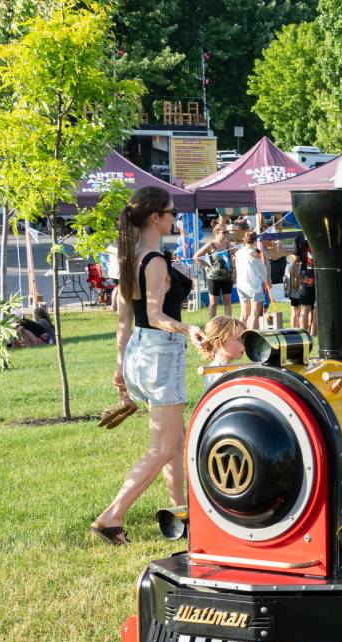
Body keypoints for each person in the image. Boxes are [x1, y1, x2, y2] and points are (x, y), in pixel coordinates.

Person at [92, 186, 206, 546]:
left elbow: (125, 319)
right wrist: (189, 328)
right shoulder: (154, 260)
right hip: (160, 353)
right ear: (156, 217)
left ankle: (182, 514)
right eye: (172, 212)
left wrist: (120, 367)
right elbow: (155, 315)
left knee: (175, 441)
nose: (175, 218)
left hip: (141, 353)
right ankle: (111, 517)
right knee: (162, 448)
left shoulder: (132, 255)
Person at [194, 224, 234, 320]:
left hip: (227, 277)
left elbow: (236, 254)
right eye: (224, 232)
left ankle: (228, 323)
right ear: (217, 233)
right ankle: (212, 324)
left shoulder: (228, 245)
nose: (226, 234)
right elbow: (196, 257)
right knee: (213, 302)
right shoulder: (210, 245)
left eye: (227, 232)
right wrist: (206, 265)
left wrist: (233, 264)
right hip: (213, 277)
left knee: (227, 301)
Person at [235, 230, 271, 331]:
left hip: (241, 285)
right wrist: (266, 280)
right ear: (255, 241)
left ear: (244, 240)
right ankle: (251, 338)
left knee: (244, 315)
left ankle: (238, 335)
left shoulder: (238, 252)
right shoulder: (254, 254)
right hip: (254, 287)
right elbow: (263, 272)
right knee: (254, 315)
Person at [199, 316, 245, 389]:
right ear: (218, 344)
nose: (243, 343)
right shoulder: (216, 374)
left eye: (243, 339)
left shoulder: (228, 368)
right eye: (238, 339)